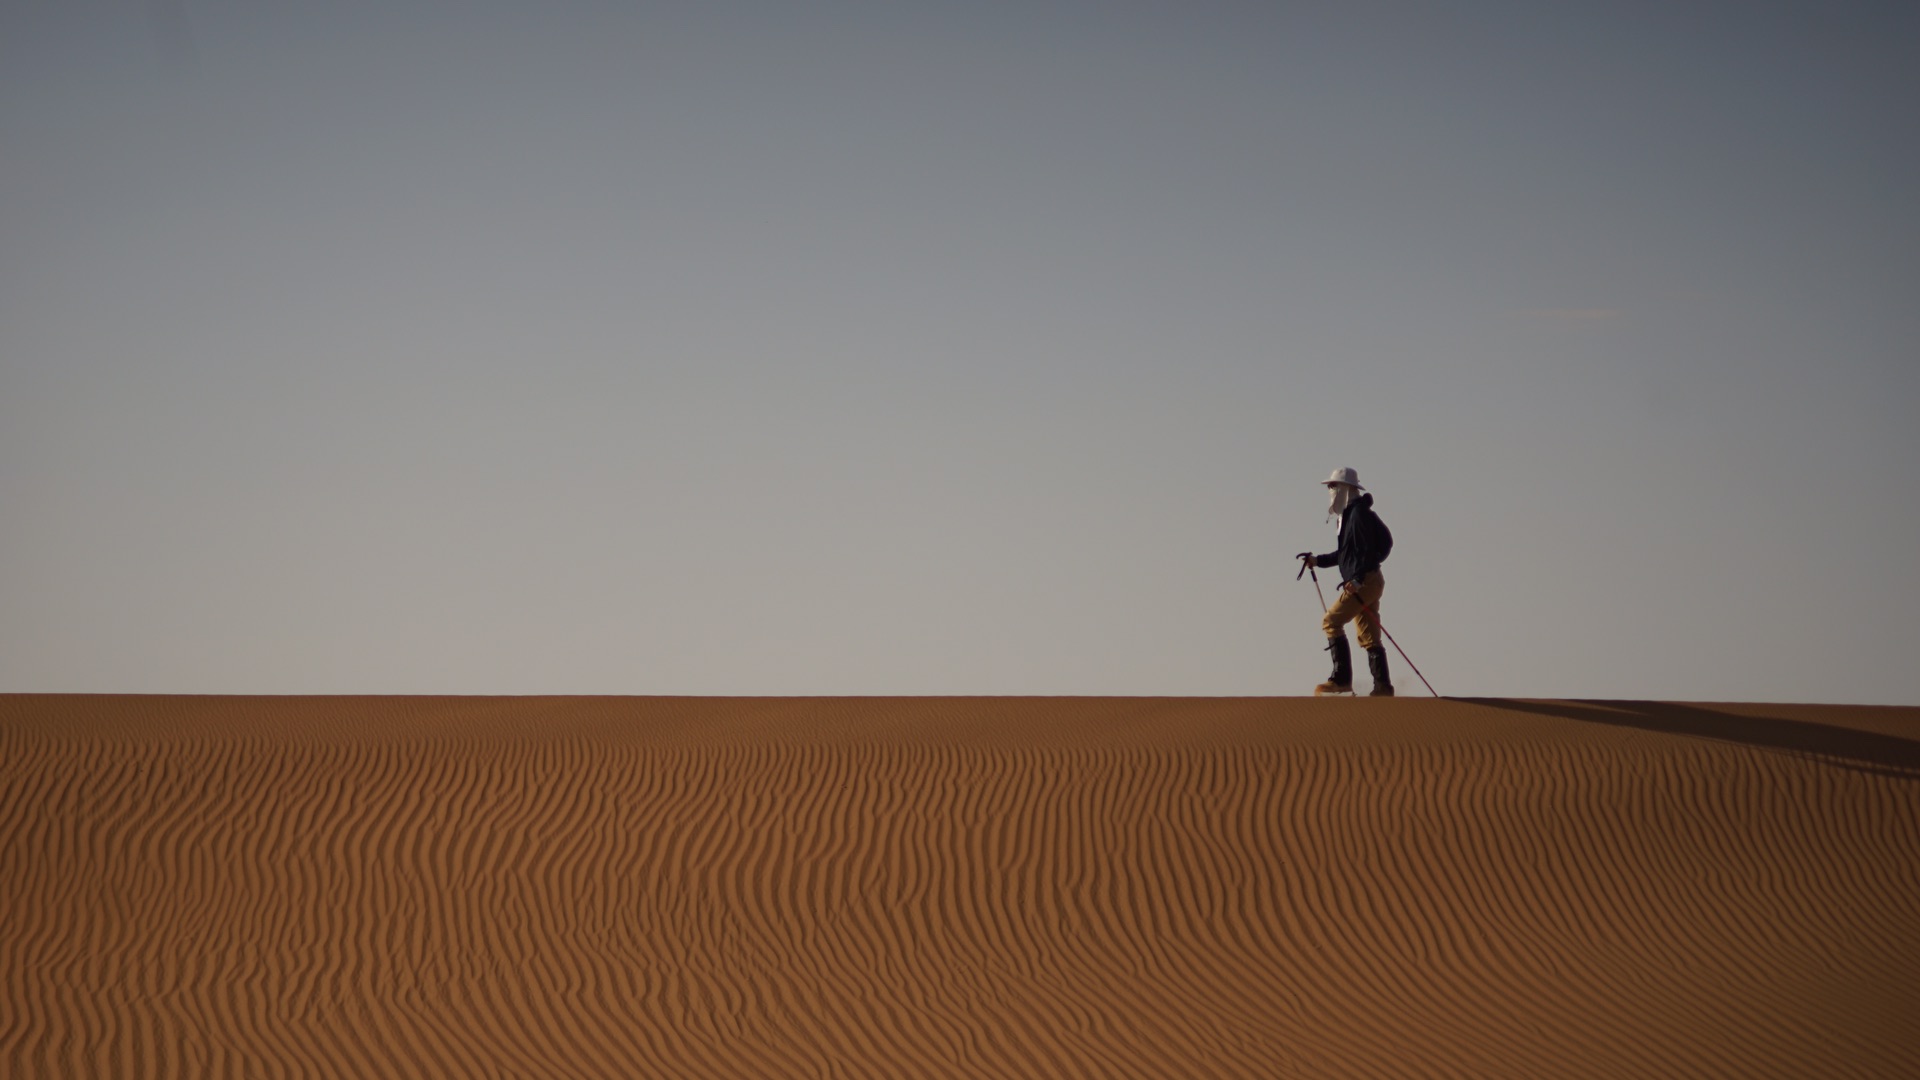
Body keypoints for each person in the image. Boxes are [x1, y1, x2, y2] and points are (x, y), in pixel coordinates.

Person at [1296, 467, 1394, 696]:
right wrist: (1317, 561)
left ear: (1347, 488)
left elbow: (1371, 550)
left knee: (1331, 621)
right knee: (1369, 635)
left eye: (1333, 486)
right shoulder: (1350, 516)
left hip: (1364, 582)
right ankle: (1383, 688)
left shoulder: (1358, 515)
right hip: (1369, 580)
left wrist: (1358, 578)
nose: (1331, 491)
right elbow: (1347, 554)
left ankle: (1341, 680)